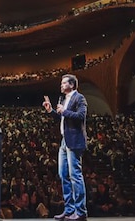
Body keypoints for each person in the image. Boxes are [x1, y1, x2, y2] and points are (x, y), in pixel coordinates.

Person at [43, 74, 88, 221]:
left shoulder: (79, 98)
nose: (61, 85)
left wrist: (64, 111)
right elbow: (62, 118)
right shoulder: (64, 99)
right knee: (63, 175)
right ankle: (69, 210)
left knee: (75, 175)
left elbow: (81, 116)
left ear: (72, 85)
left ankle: (80, 212)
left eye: (64, 83)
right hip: (65, 141)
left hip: (74, 141)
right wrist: (52, 111)